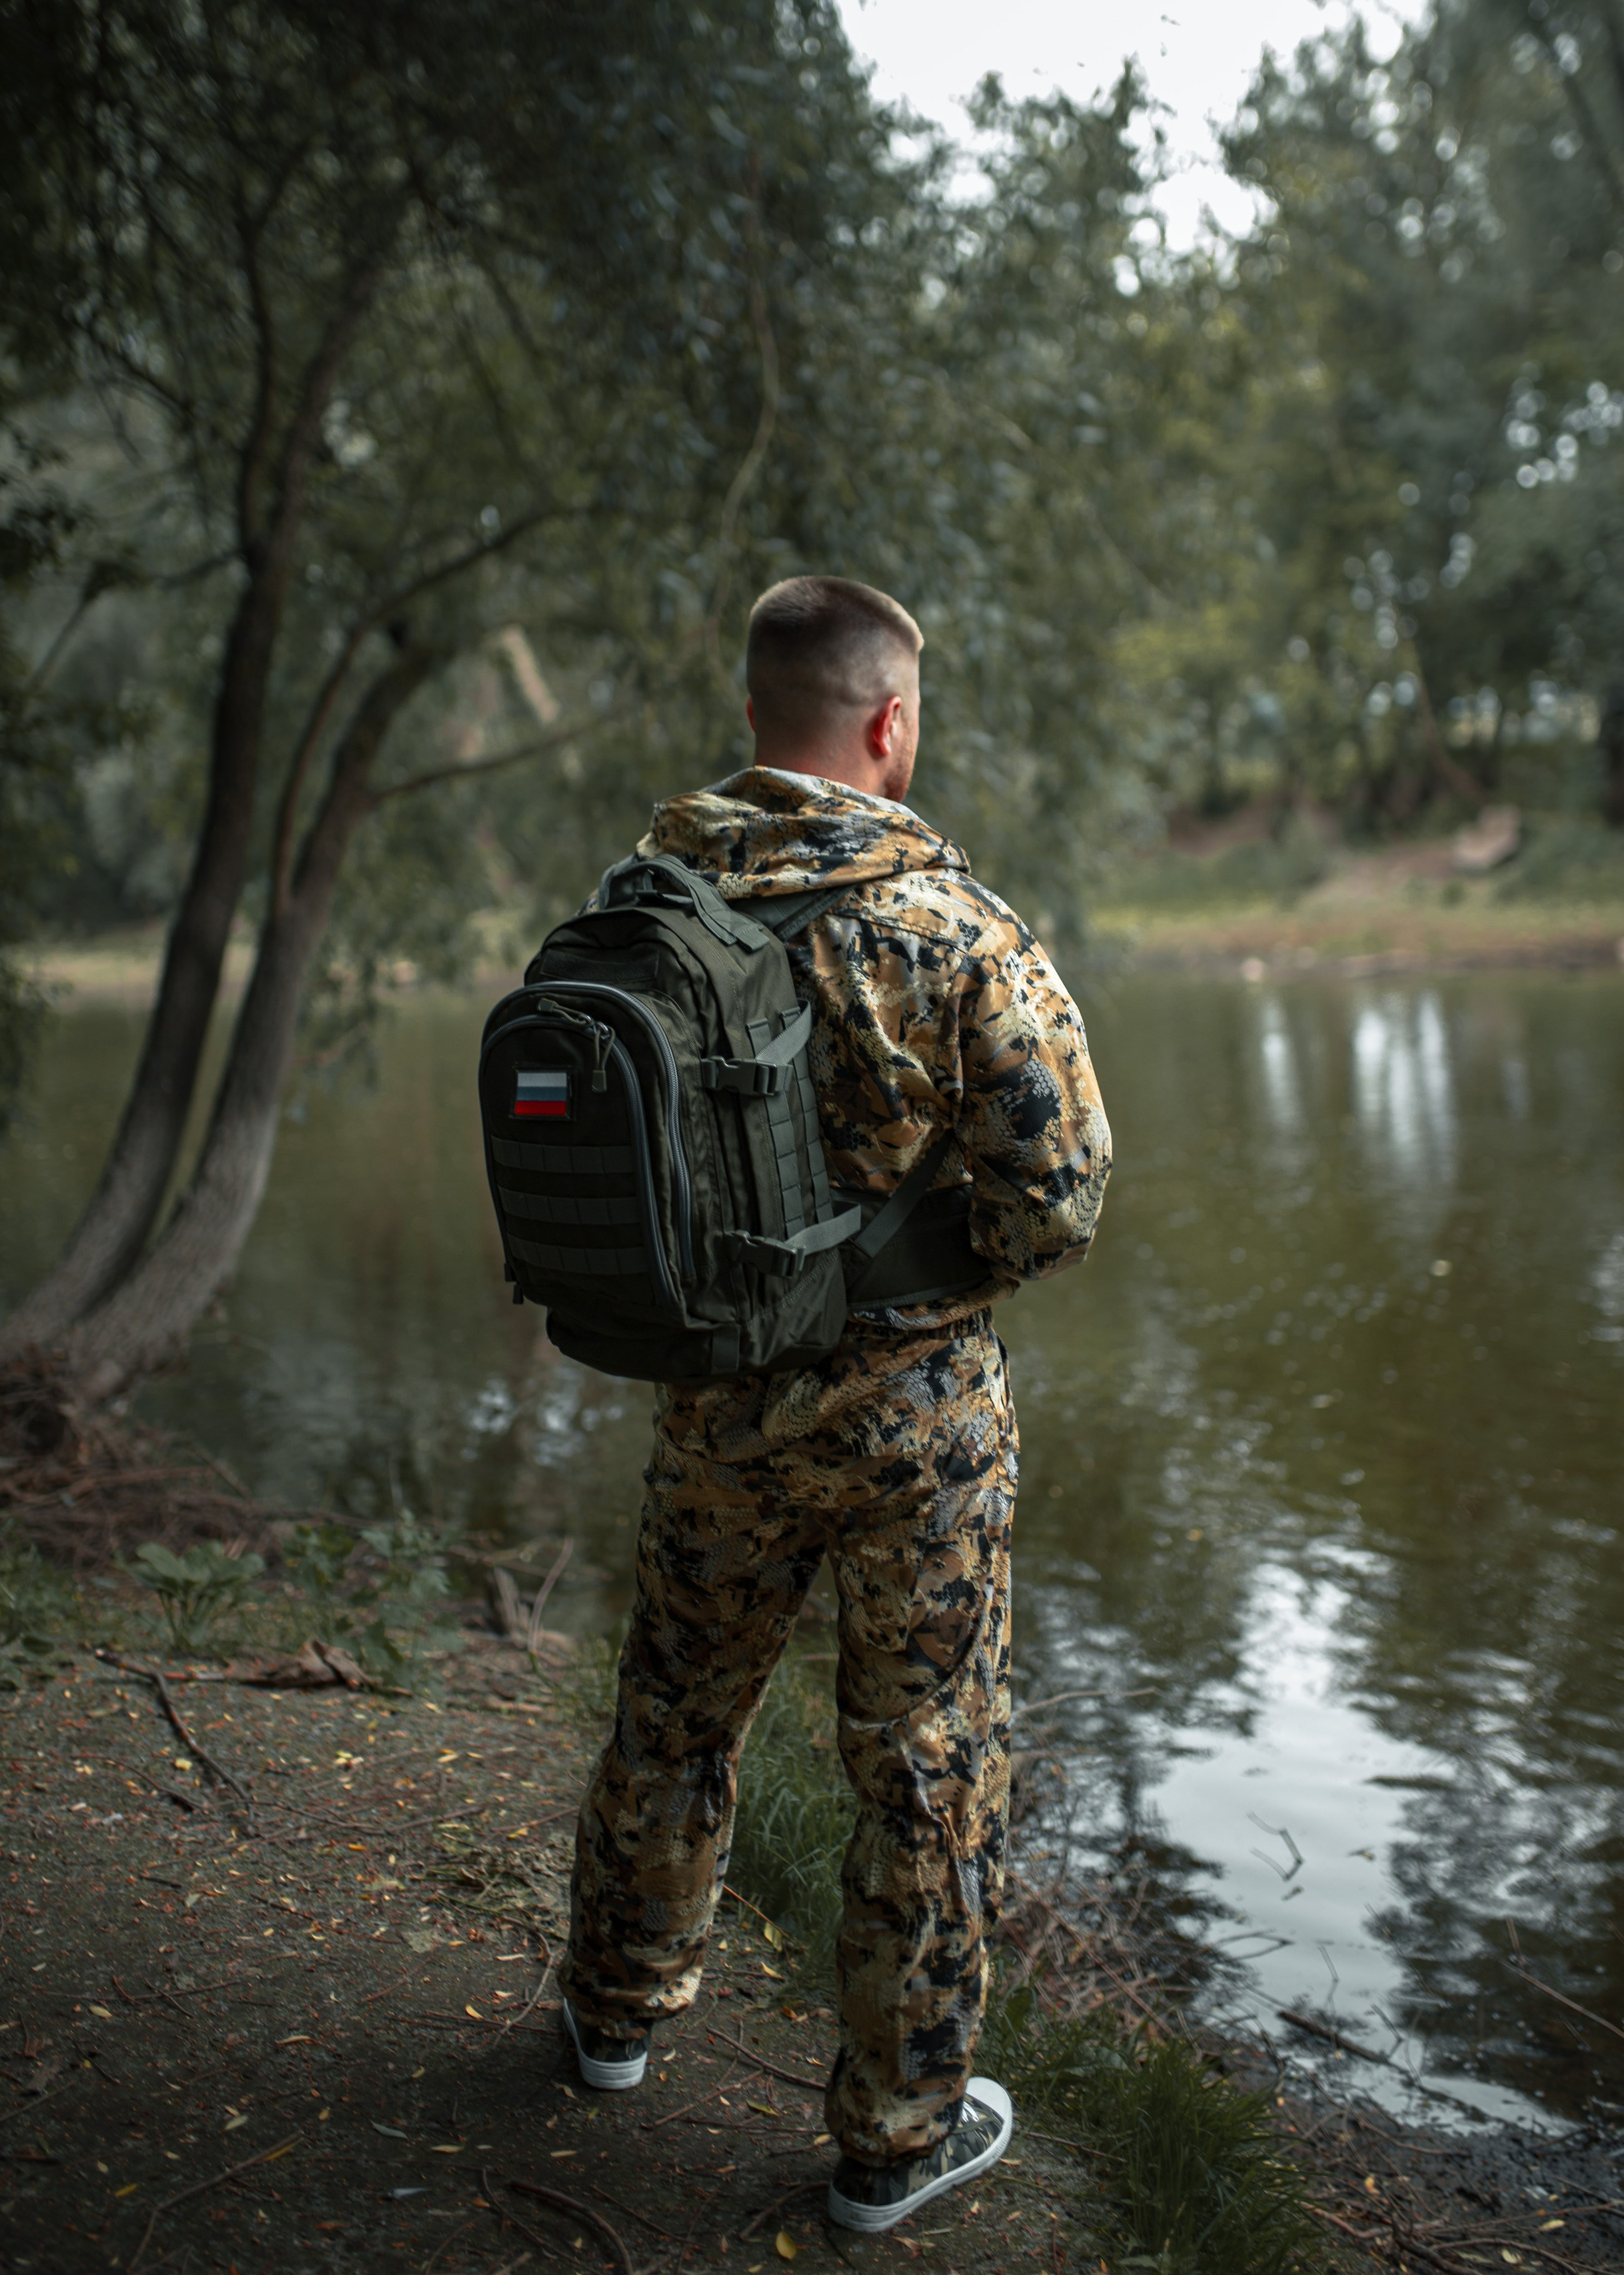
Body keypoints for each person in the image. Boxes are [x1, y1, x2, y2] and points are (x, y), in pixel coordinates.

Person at [558, 576, 1111, 2233]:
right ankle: (893, 2140)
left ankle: (611, 2019)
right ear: (890, 723)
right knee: (922, 1765)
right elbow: (1061, 1196)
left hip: (710, 1405)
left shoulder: (636, 901)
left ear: (751, 719)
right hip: (912, 1430)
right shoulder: (952, 929)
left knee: (673, 1706)